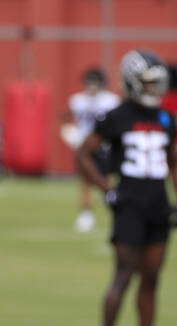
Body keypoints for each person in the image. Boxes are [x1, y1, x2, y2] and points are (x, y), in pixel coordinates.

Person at [77, 49, 177, 326]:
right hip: (129, 205)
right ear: (133, 82)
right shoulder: (117, 116)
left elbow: (175, 161)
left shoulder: (165, 117)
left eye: (157, 83)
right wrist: (105, 188)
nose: (155, 89)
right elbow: (83, 154)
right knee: (123, 275)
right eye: (149, 83)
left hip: (158, 204)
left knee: (152, 279)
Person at [64, 68, 120, 232]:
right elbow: (67, 120)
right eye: (89, 83)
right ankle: (86, 215)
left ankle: (114, 211)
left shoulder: (111, 101)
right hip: (84, 148)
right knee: (86, 182)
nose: (92, 87)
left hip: (105, 147)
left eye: (95, 83)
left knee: (107, 181)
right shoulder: (77, 101)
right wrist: (69, 133)